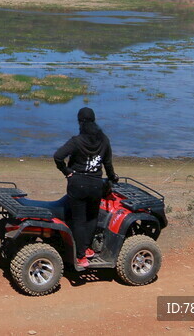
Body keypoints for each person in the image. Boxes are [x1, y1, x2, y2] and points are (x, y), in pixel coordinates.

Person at [53, 106, 117, 267]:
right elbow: (108, 164)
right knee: (92, 218)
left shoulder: (76, 141)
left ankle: (80, 256)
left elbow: (58, 156)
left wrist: (67, 172)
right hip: (96, 185)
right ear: (94, 120)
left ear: (80, 122)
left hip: (77, 184)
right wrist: (112, 179)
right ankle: (87, 249)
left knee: (78, 220)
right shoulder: (104, 140)